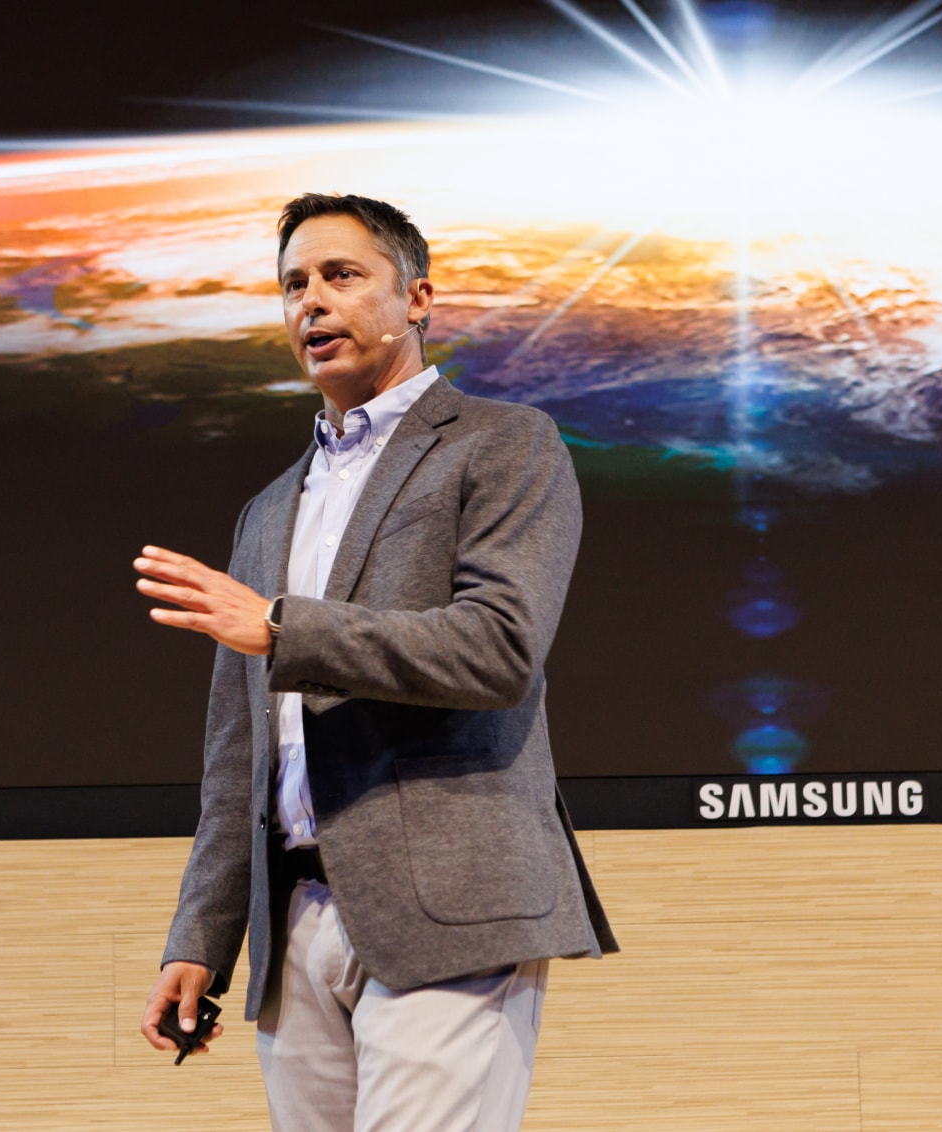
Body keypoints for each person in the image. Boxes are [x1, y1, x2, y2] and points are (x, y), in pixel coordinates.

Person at [135, 192, 617, 1132]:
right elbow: (240, 757)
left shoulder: (505, 443)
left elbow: (500, 648)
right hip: (295, 919)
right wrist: (201, 935)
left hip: (453, 907)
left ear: (418, 298)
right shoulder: (270, 507)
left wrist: (282, 627)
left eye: (341, 275)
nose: (310, 303)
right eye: (292, 286)